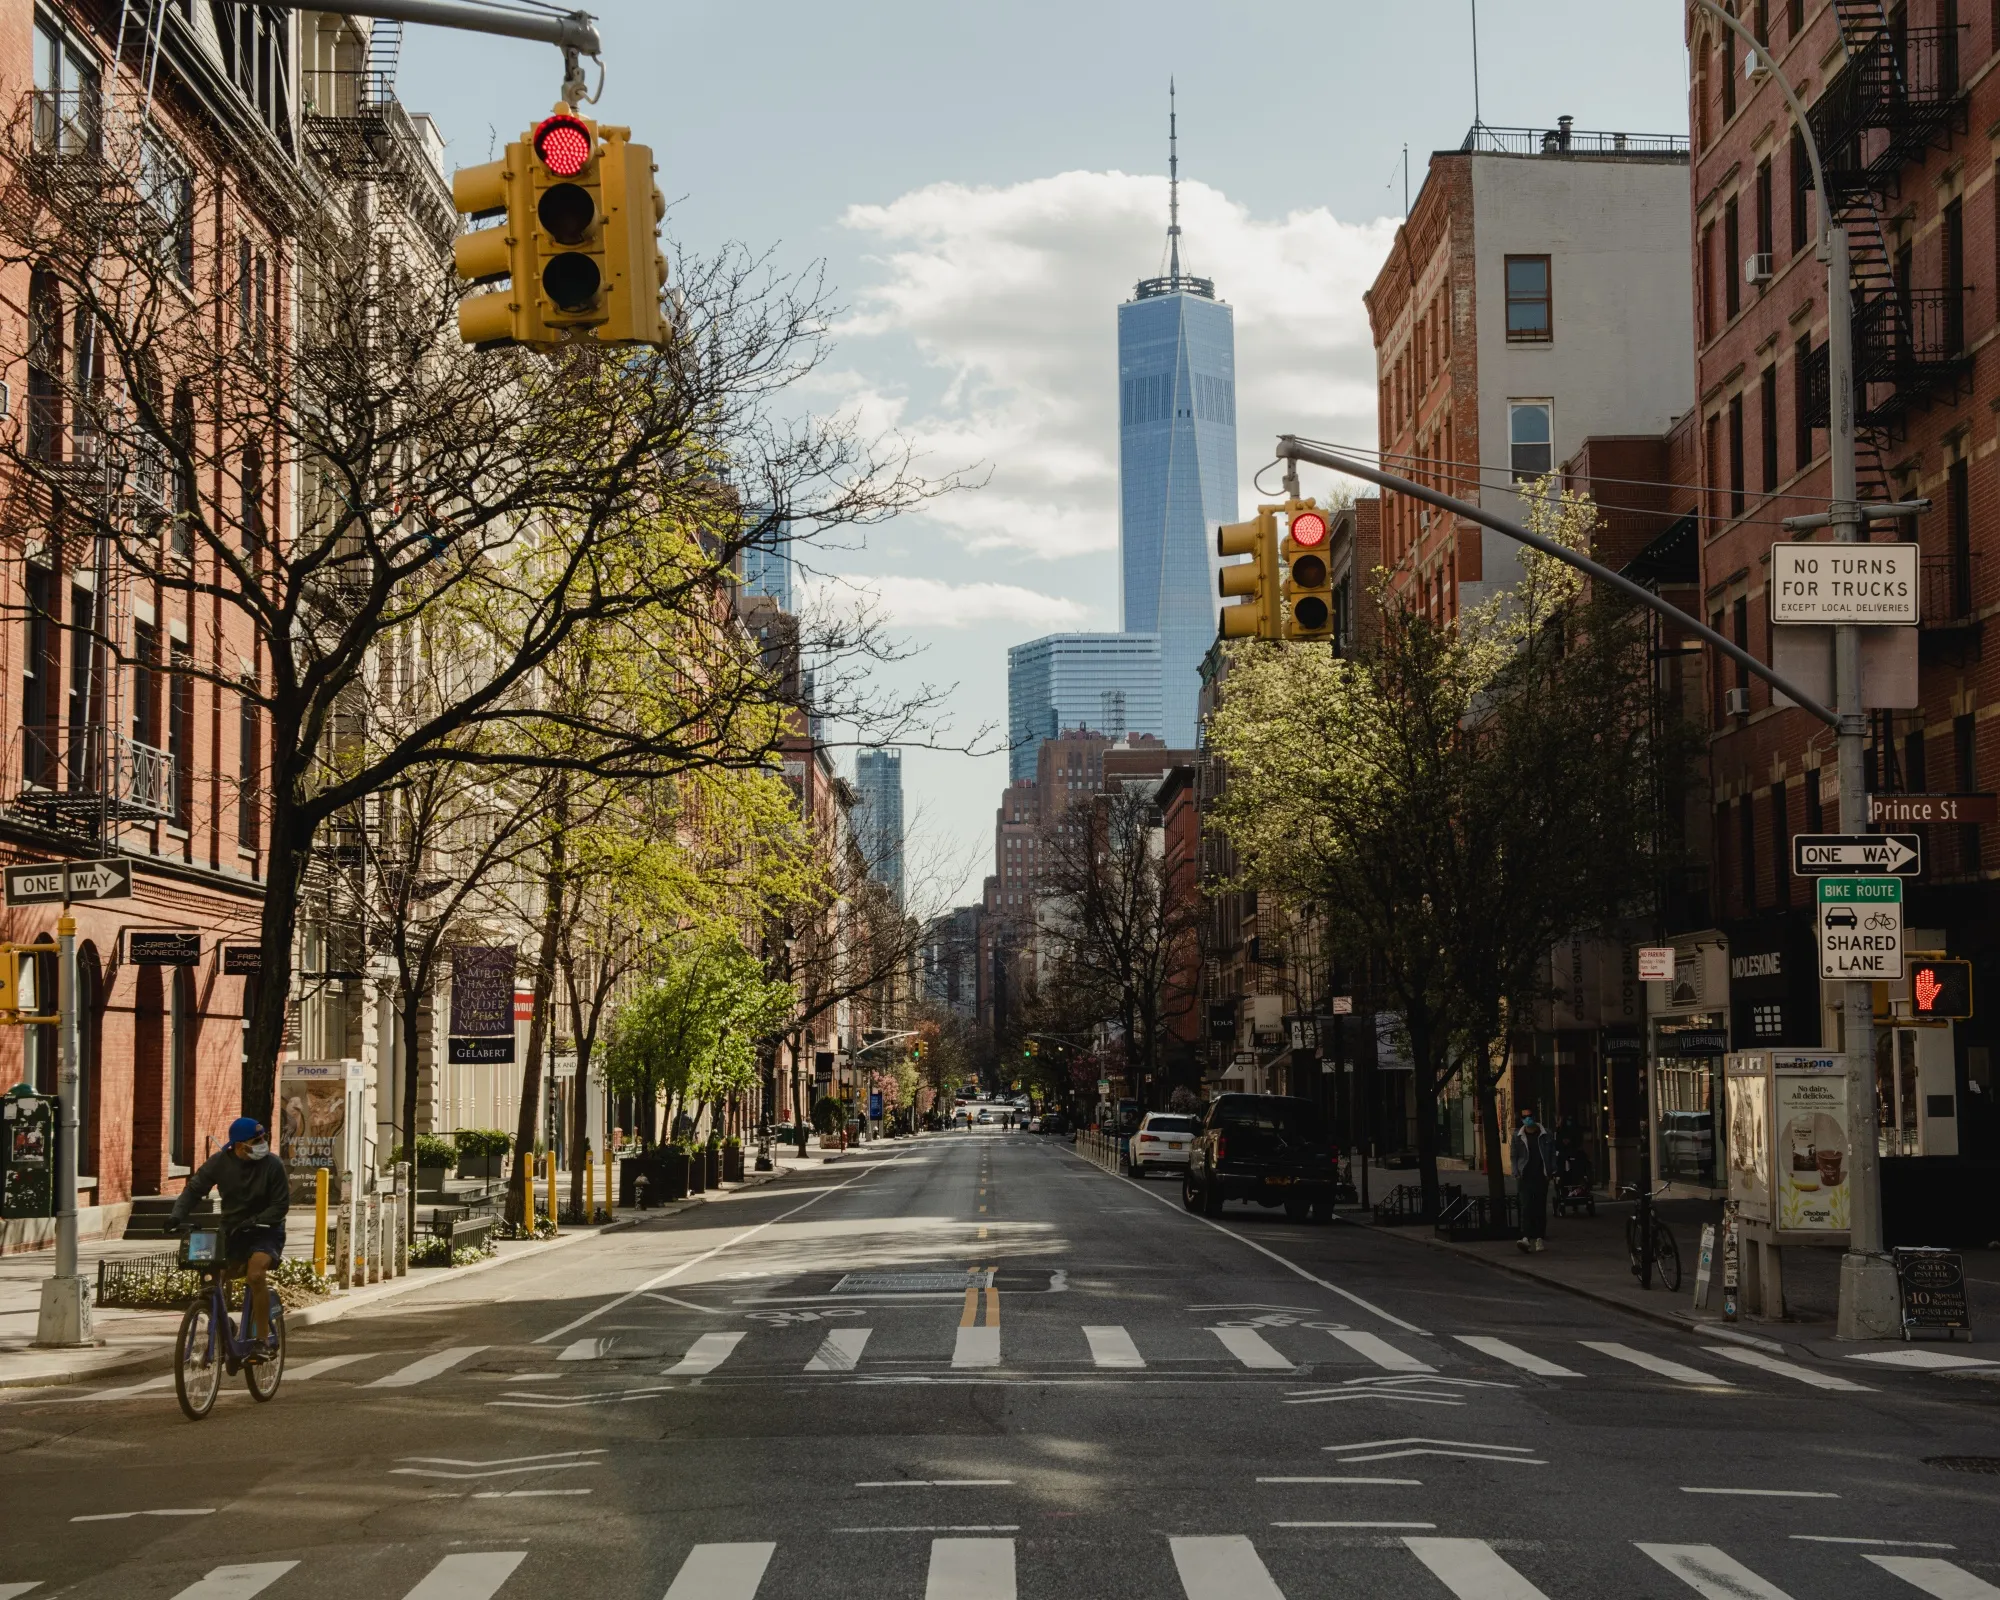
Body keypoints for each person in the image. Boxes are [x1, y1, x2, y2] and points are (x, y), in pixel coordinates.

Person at [171, 1116, 290, 1359]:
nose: (263, 1143)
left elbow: (280, 1206)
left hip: (266, 1230)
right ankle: (223, 1323)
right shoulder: (219, 1163)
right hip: (232, 1230)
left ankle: (261, 1341)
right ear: (238, 1146)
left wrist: (255, 1220)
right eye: (256, 1140)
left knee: (255, 1275)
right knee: (212, 1278)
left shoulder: (273, 1165)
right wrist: (176, 1216)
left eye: (264, 1138)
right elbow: (195, 1189)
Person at [1513, 1107, 1556, 1253]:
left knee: (1539, 1208)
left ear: (1535, 1116)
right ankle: (1525, 1237)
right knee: (1526, 1207)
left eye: (1529, 1116)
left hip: (1540, 1175)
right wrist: (1516, 1171)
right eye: (1524, 1117)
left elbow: (1551, 1154)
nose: (1527, 1119)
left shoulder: (1546, 1134)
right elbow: (1514, 1155)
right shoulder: (1517, 1135)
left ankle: (1539, 1238)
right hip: (1525, 1176)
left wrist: (1551, 1171)